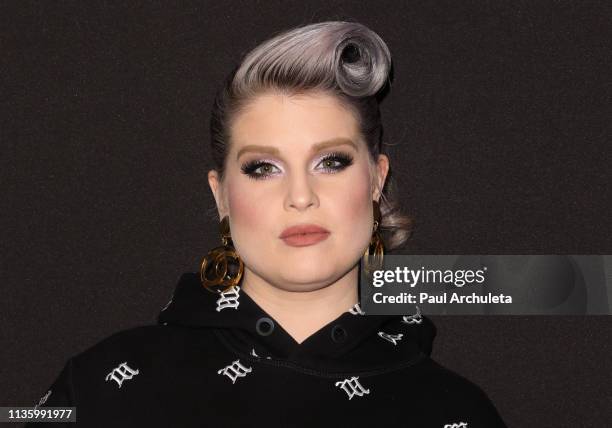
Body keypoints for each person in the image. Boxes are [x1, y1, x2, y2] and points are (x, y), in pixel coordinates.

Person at [27, 21, 507, 427]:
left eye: (331, 162)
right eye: (263, 168)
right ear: (221, 196)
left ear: (377, 179)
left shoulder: (458, 410)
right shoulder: (98, 386)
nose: (300, 197)